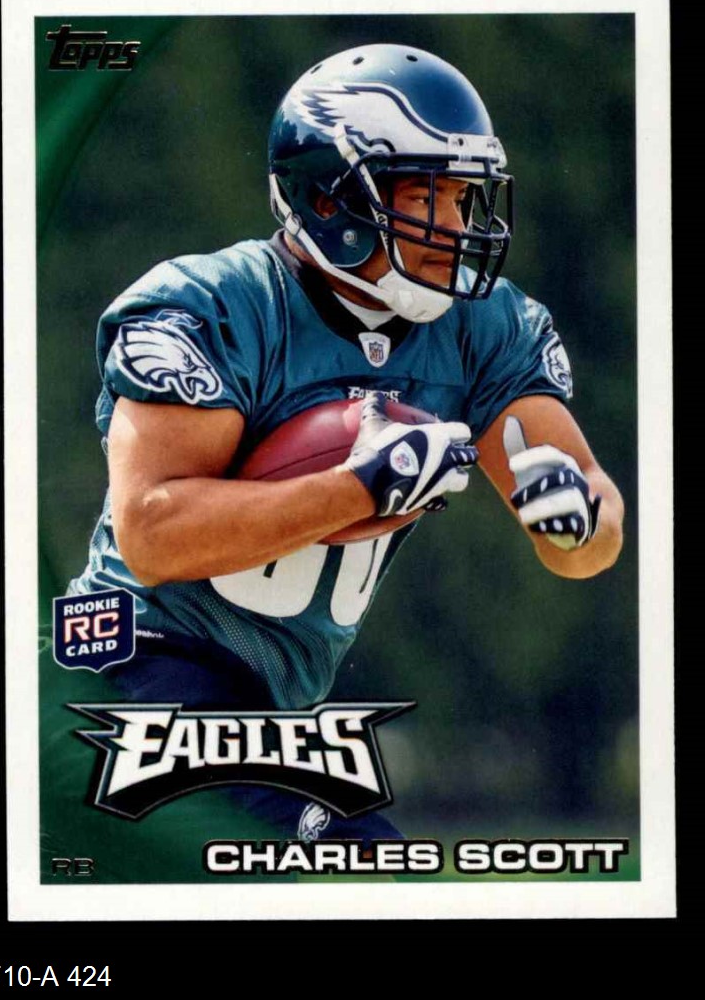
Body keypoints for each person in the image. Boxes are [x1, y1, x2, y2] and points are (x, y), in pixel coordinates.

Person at [67, 43, 623, 845]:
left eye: (464, 197)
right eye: (426, 195)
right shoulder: (217, 307)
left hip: (269, 705)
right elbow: (151, 535)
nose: (455, 225)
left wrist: (576, 520)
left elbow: (590, 532)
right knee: (360, 866)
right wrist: (360, 487)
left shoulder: (481, 327)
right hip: (132, 671)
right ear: (329, 198)